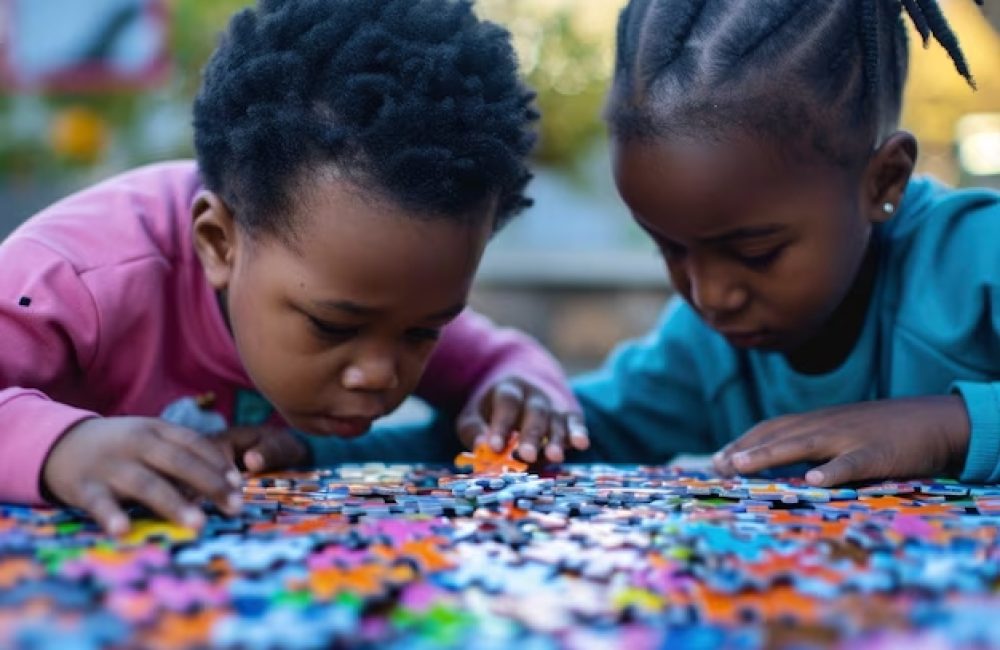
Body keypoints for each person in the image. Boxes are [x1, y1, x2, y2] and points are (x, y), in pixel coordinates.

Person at [0, 0, 589, 535]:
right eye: (333, 328)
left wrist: (523, 391)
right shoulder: (77, 276)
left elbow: (495, 358)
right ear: (219, 243)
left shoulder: (371, 289)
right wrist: (60, 446)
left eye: (423, 332)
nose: (379, 374)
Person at [574, 0, 999, 486]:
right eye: (669, 249)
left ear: (884, 182)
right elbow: (587, 428)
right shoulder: (704, 349)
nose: (710, 296)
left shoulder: (978, 256)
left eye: (756, 253)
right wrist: (516, 390)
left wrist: (952, 425)